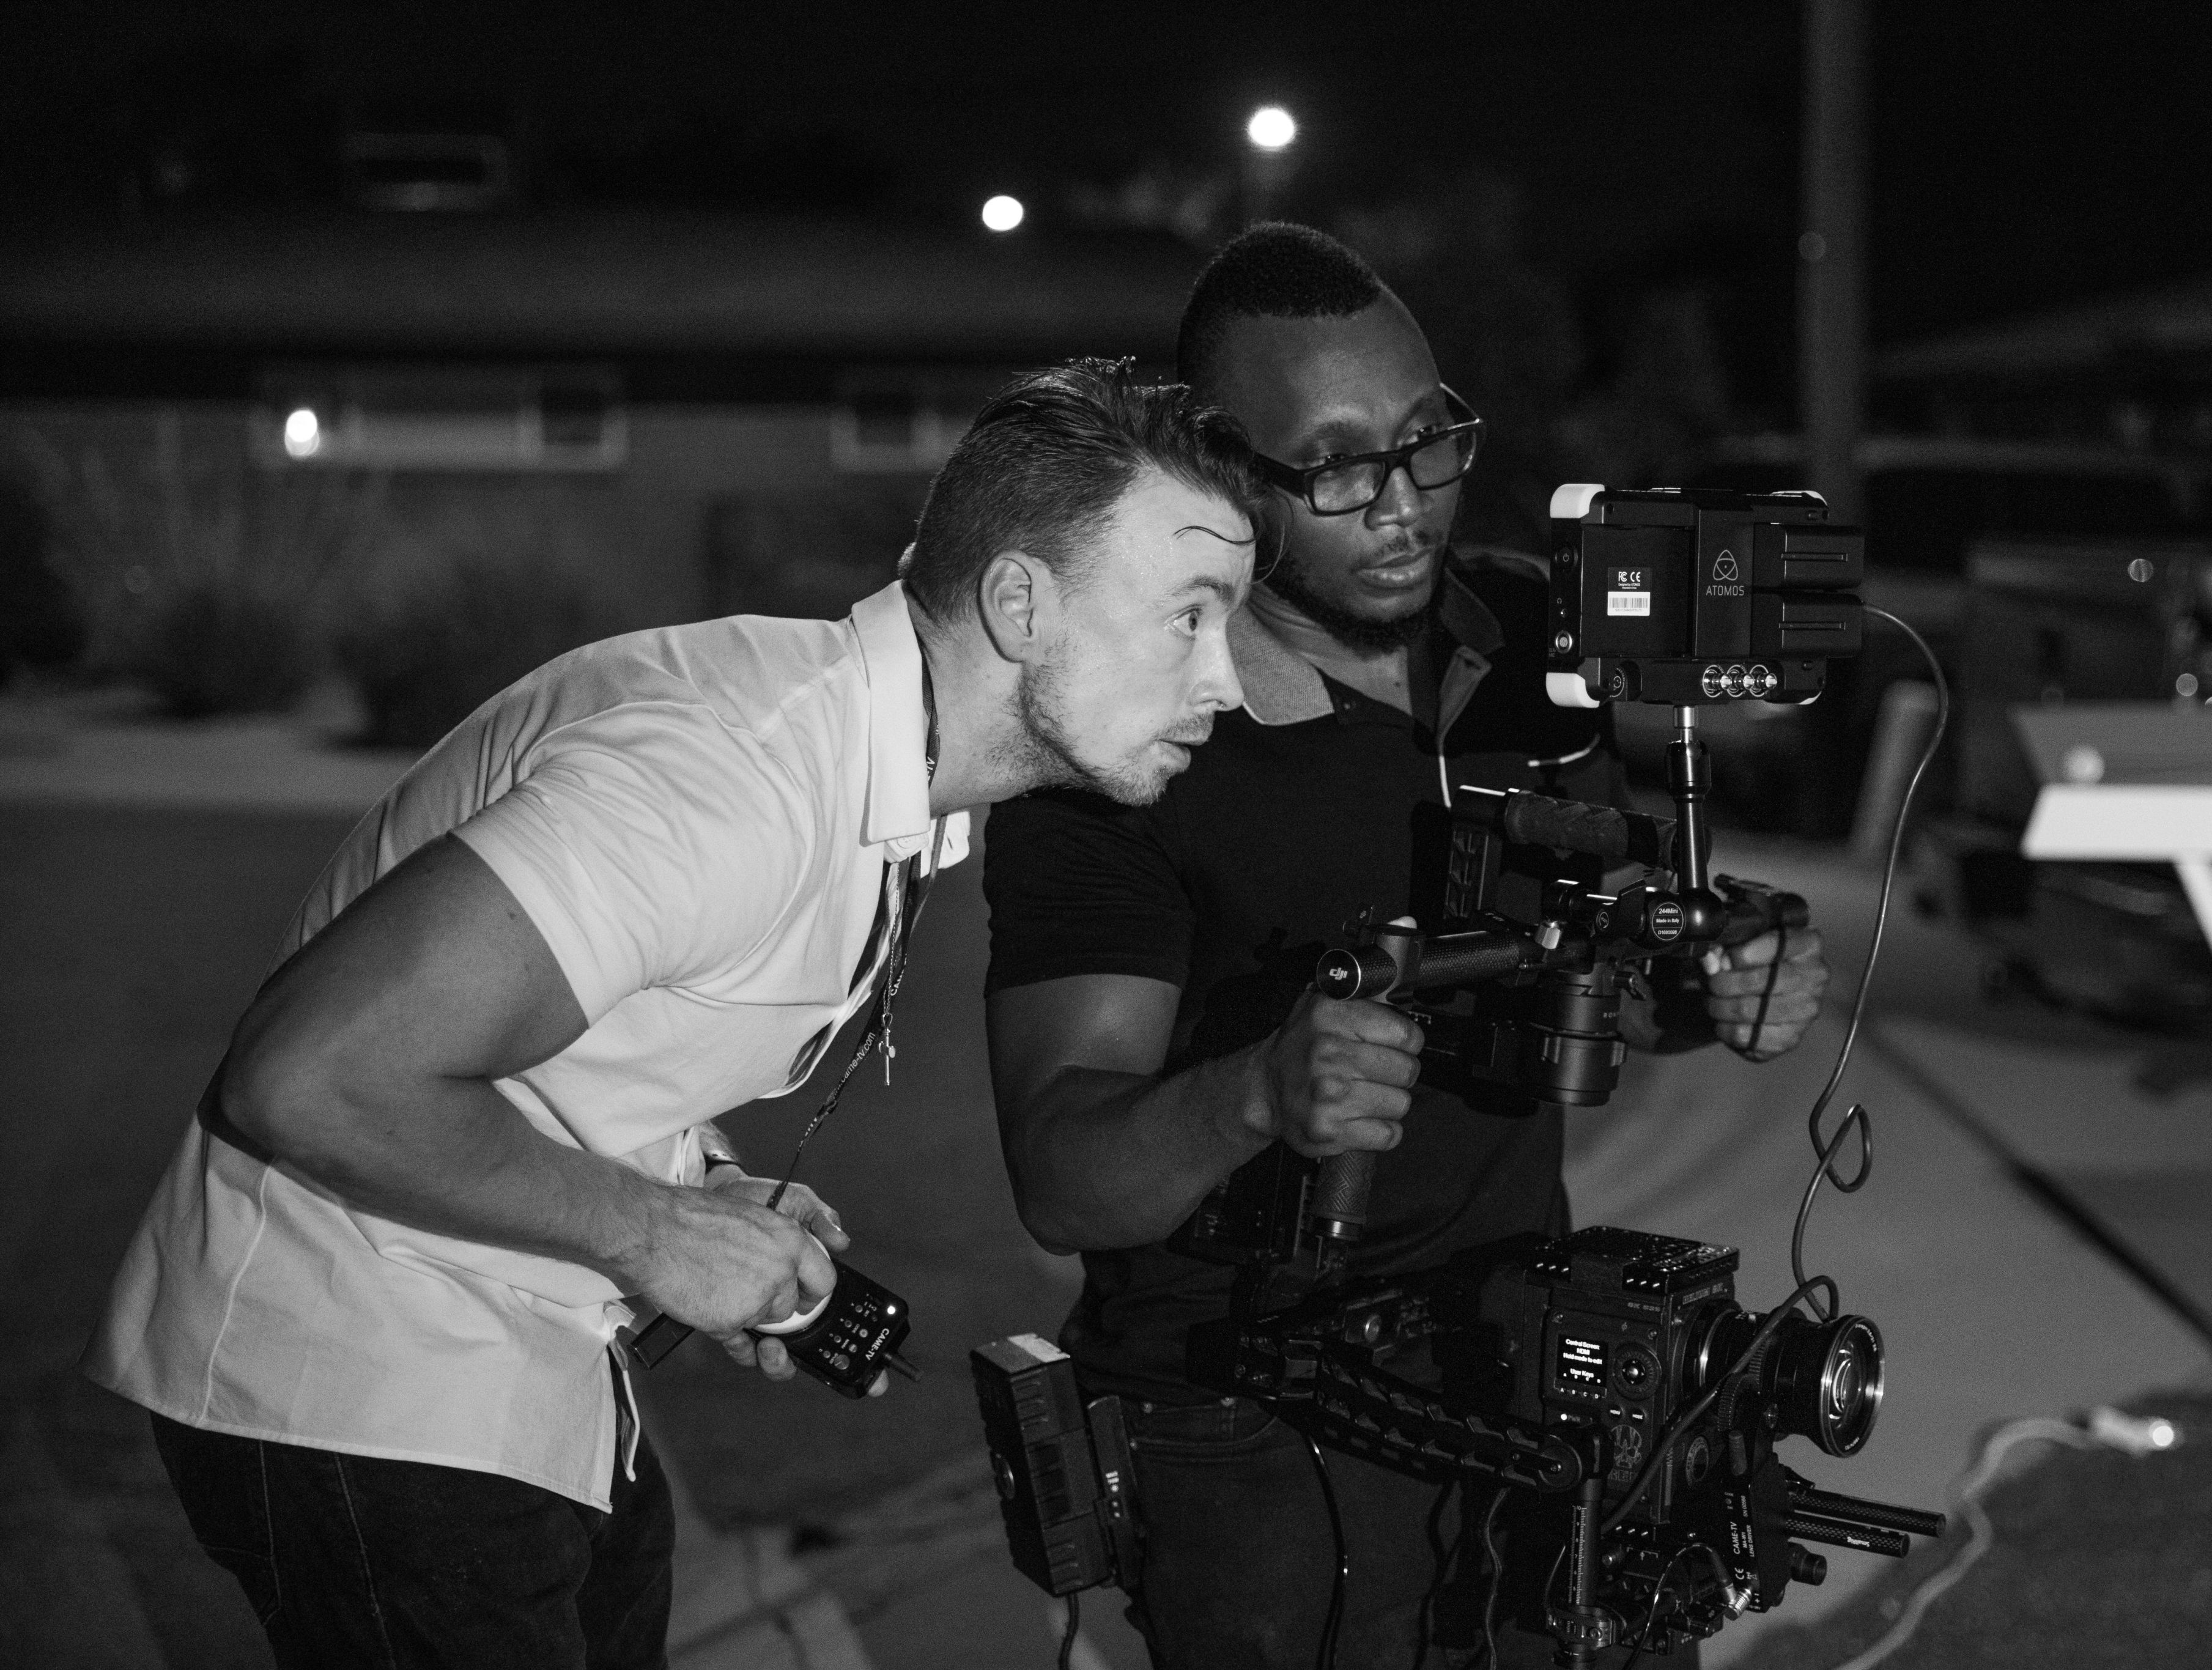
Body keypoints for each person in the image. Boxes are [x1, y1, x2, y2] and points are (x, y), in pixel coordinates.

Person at [83, 360, 1262, 1668]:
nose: (1230, 680)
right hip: (371, 1384)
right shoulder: (732, 775)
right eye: (1190, 615)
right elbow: (314, 1076)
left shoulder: (865, 761)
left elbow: (584, 1032)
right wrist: (657, 1236)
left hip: (533, 1378)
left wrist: (700, 1191)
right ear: (1021, 602)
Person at [982, 227, 1833, 1669]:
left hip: (1542, 1370)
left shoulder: (1531, 640)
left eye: (1427, 439)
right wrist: (1258, 1093)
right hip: (1256, 1436)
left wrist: (1707, 986)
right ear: (1221, 467)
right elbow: (1061, 1176)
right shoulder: (1121, 733)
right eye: (1333, 463)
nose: (1400, 500)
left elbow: (1605, 979)